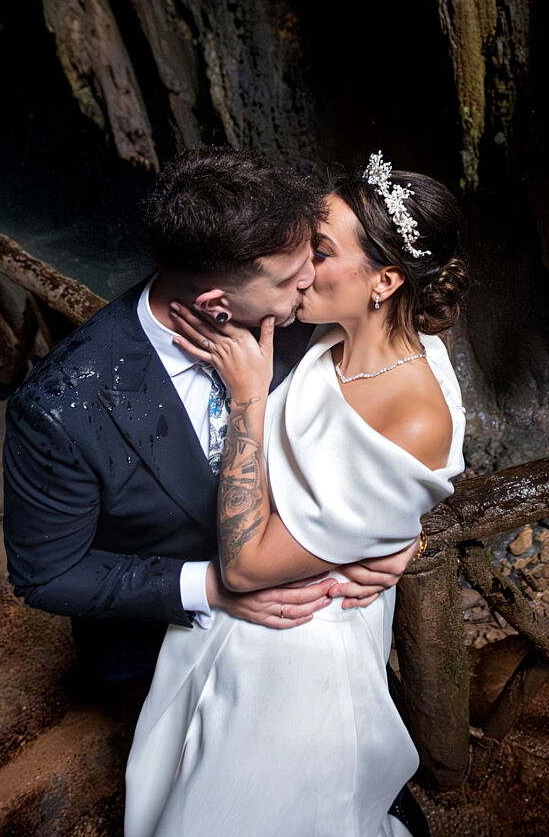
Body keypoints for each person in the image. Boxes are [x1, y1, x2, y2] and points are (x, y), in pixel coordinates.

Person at [124, 153, 470, 837]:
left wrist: (250, 398)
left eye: (319, 251)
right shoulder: (332, 328)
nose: (299, 269)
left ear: (386, 281)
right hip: (261, 603)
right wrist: (401, 534)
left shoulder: (415, 410)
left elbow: (248, 567)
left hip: (301, 646)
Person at [1, 148, 418, 689]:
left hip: (318, 627)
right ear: (216, 305)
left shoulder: (306, 315)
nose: (312, 280)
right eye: (294, 275)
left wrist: (402, 533)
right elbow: (46, 575)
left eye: (314, 255)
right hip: (163, 651)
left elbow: (398, 428)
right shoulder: (58, 411)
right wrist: (213, 588)